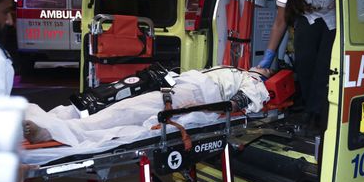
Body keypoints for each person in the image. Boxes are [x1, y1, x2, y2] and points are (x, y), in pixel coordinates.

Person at [23, 67, 271, 147]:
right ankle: (57, 117)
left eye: (268, 69)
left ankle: (56, 131)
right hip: (174, 82)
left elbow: (236, 103)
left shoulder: (255, 82)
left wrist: (205, 108)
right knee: (106, 97)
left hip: (188, 95)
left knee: (124, 111)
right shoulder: (235, 68)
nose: (264, 66)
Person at [258, 0, 336, 130]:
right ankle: (310, 109)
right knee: (303, 61)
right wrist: (269, 55)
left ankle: (319, 113)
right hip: (308, 17)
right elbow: (280, 21)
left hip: (334, 17)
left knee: (324, 65)